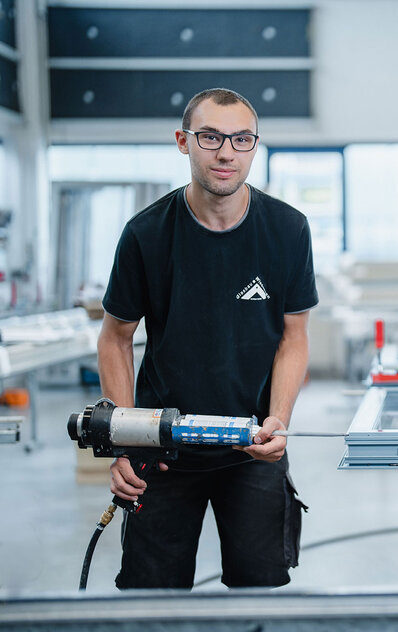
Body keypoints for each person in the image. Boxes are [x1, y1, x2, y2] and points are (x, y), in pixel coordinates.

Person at [97, 88, 318, 589]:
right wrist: (124, 439)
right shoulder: (146, 234)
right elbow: (115, 338)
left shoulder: (287, 229)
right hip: (161, 448)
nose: (226, 152)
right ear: (184, 142)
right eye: (211, 137)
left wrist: (278, 419)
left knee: (259, 590)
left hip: (252, 446)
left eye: (241, 139)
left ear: (254, 146)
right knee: (153, 597)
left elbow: (294, 337)